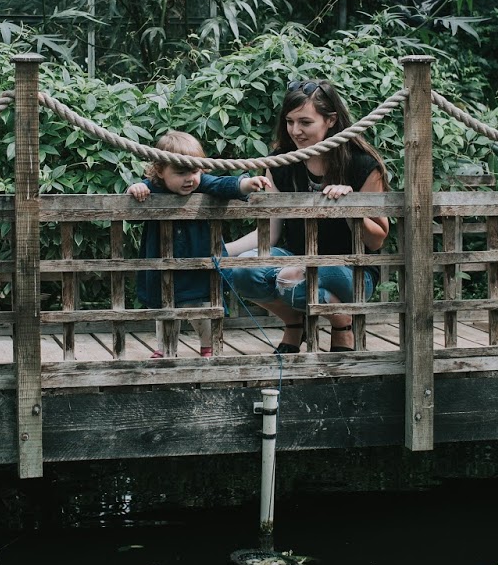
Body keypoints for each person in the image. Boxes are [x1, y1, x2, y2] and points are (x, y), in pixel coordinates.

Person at [224, 79, 390, 353]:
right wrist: (222, 252)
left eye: (305, 122)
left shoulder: (362, 164)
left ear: (331, 120)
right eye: (290, 122)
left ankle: (342, 323)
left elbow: (376, 242)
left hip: (349, 270)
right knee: (241, 270)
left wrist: (351, 210)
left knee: (302, 275)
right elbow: (270, 233)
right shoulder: (280, 162)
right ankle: (294, 322)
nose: (295, 131)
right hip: (295, 263)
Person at [128, 131, 269, 358]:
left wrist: (245, 184)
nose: (189, 179)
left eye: (194, 171)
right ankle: (164, 349)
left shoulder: (203, 184)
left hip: (199, 264)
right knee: (165, 308)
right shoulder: (154, 187)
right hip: (164, 264)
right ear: (160, 171)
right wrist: (136, 189)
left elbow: (225, 185)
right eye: (180, 172)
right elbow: (133, 195)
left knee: (203, 308)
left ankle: (208, 345)